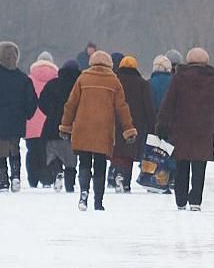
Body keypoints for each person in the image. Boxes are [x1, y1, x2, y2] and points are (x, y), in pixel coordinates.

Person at [61, 50, 138, 211]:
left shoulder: (83, 78)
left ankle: (83, 194)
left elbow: (71, 104)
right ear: (110, 64)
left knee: (84, 162)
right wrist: (128, 129)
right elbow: (122, 108)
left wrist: (66, 126)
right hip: (103, 129)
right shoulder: (114, 81)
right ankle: (98, 200)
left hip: (83, 127)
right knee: (100, 164)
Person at [155, 47, 214, 211]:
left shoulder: (179, 78)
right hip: (204, 129)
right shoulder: (213, 81)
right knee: (199, 166)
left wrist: (163, 125)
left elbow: (169, 103)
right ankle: (195, 201)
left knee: (182, 165)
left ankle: (181, 200)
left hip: (181, 128)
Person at [0, 40, 37, 192]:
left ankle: (3, 180)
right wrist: (27, 114)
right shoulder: (23, 79)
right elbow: (32, 101)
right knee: (14, 147)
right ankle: (16, 176)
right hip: (16, 120)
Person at [113, 56, 156, 192]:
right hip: (135, 122)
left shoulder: (114, 81)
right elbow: (148, 106)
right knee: (129, 153)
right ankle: (125, 182)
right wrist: (152, 125)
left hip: (115, 120)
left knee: (117, 151)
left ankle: (118, 173)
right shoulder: (142, 83)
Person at [38, 59, 82, 192]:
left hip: (52, 126)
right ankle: (70, 186)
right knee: (71, 160)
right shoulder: (79, 86)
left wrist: (51, 113)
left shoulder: (52, 84)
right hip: (72, 128)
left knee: (52, 155)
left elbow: (42, 103)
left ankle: (57, 171)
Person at [26, 51, 59, 188]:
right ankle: (48, 179)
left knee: (32, 152)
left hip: (31, 123)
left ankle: (33, 179)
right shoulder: (57, 80)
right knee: (49, 152)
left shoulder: (28, 79)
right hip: (50, 123)